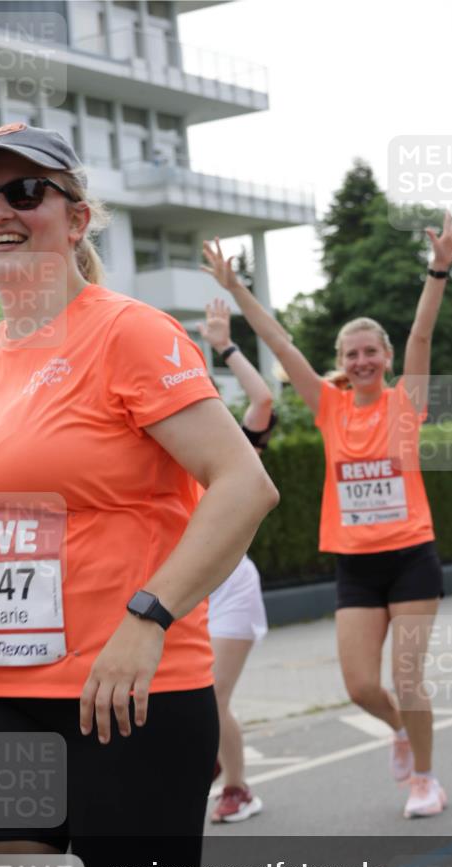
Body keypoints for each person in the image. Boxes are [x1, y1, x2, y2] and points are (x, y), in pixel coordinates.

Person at [0, 123, 343, 867]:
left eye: (24, 193)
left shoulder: (129, 334)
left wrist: (148, 619)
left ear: (76, 218)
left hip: (125, 691)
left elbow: (243, 485)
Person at [202, 216, 452, 818]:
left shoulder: (405, 404)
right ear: (341, 362)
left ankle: (425, 779)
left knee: (407, 678)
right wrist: (237, 288)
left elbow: (422, 335)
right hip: (355, 563)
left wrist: (439, 269)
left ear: (386, 358)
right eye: (352, 354)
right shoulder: (329, 406)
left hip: (411, 557)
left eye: (371, 352)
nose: (362, 361)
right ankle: (402, 731)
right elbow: (281, 345)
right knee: (359, 686)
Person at [197, 298, 276, 822]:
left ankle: (236, 787)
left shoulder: (233, 450)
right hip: (182, 591)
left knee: (211, 694)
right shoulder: (154, 453)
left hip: (231, 585)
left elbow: (264, 398)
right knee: (194, 697)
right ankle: (214, 769)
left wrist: (225, 346)